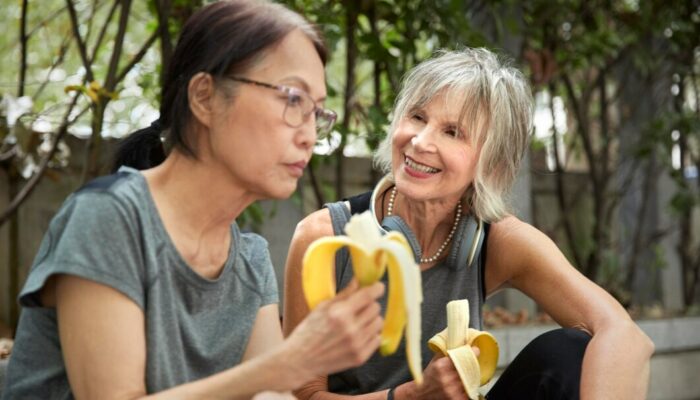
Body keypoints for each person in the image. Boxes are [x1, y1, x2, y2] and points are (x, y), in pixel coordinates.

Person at [2, 1, 386, 398]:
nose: (308, 134)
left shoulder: (250, 261)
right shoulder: (109, 218)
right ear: (205, 97)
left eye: (318, 113)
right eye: (293, 99)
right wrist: (289, 362)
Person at [283, 48, 654, 399]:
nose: (420, 141)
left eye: (452, 132)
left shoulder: (497, 239)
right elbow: (299, 394)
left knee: (567, 353)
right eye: (417, 117)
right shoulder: (324, 237)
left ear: (490, 163)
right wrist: (410, 396)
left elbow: (624, 334)